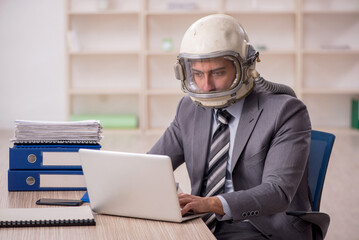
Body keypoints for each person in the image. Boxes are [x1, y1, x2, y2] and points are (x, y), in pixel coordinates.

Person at [148, 14, 312, 239]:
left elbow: (278, 192)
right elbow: (153, 164)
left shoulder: (287, 111)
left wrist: (212, 203)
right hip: (201, 222)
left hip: (261, 228)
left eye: (218, 73)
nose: (206, 87)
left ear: (247, 66)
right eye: (197, 74)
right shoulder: (189, 108)